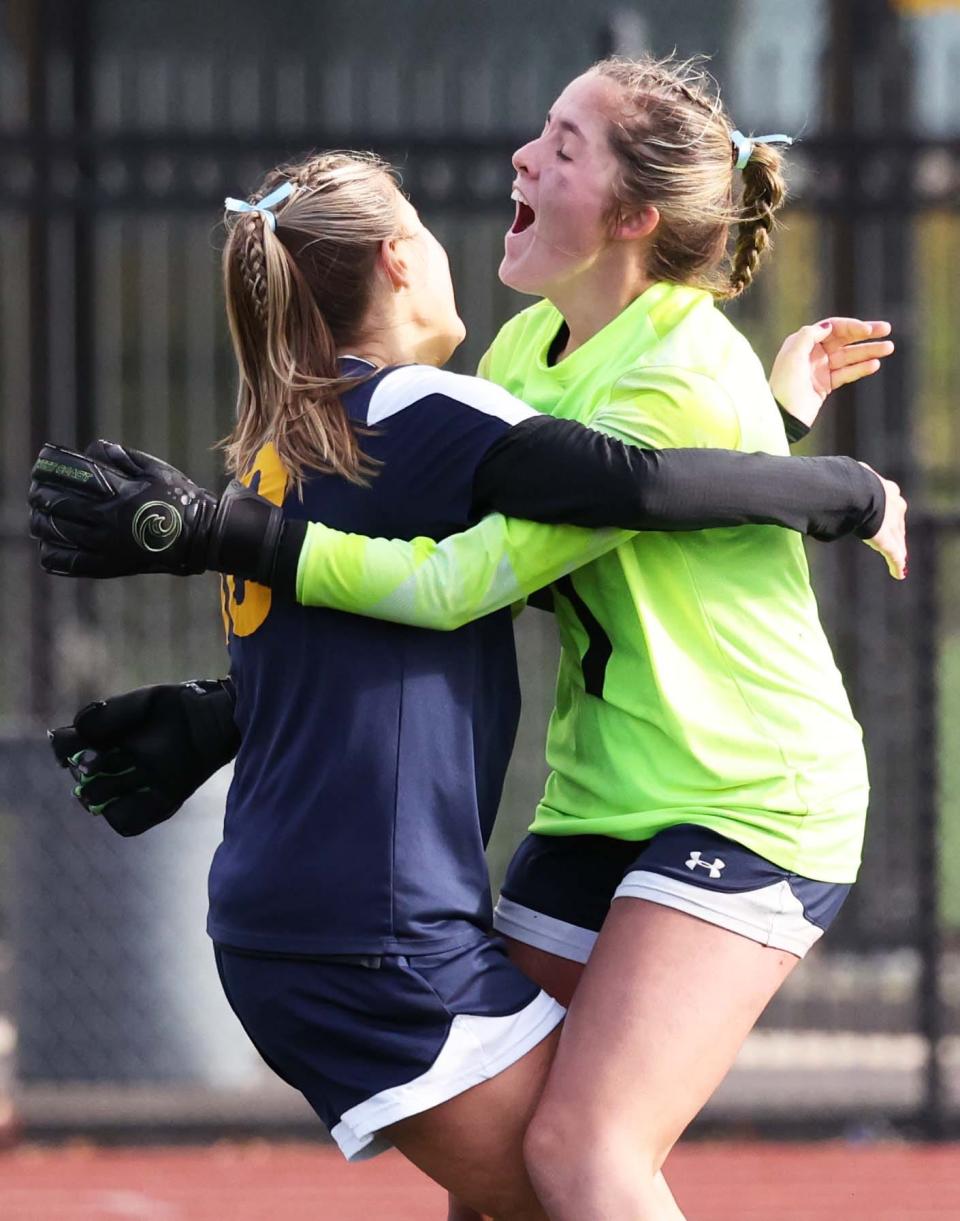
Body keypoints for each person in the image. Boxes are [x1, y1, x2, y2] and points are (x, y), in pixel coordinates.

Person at [29, 59, 906, 1221]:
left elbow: (468, 579)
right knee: (498, 1178)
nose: (521, 158)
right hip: (606, 798)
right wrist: (236, 706)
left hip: (750, 793)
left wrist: (222, 531)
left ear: (635, 218)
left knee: (584, 1157)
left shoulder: (684, 364)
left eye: (564, 143)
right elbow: (535, 556)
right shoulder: (518, 357)